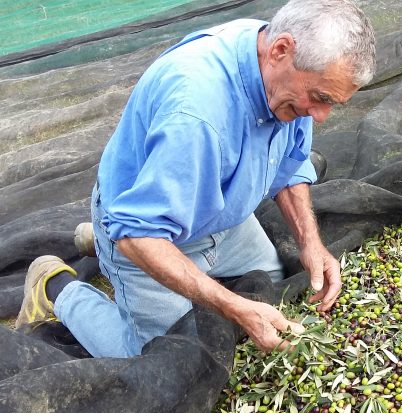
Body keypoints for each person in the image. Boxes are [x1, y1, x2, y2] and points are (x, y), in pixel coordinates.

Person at [15, 0, 376, 358]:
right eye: (319, 98)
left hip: (218, 220)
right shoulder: (196, 115)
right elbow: (138, 232)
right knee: (160, 356)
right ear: (281, 50)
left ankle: (119, 234)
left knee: (272, 279)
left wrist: (310, 242)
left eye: (332, 103)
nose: (321, 116)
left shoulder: (271, 56)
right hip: (143, 232)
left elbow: (291, 162)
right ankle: (58, 287)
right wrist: (233, 307)